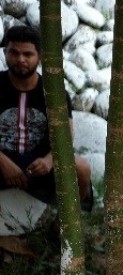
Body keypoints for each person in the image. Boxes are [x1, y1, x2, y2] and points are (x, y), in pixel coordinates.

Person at [0, 25, 92, 208]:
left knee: (81, 168)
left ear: (40, 57)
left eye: (28, 54)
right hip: (2, 160)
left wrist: (50, 160)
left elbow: (66, 136)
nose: (20, 59)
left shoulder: (55, 92)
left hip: (39, 165)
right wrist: (3, 162)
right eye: (14, 53)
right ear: (5, 53)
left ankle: (63, 221)